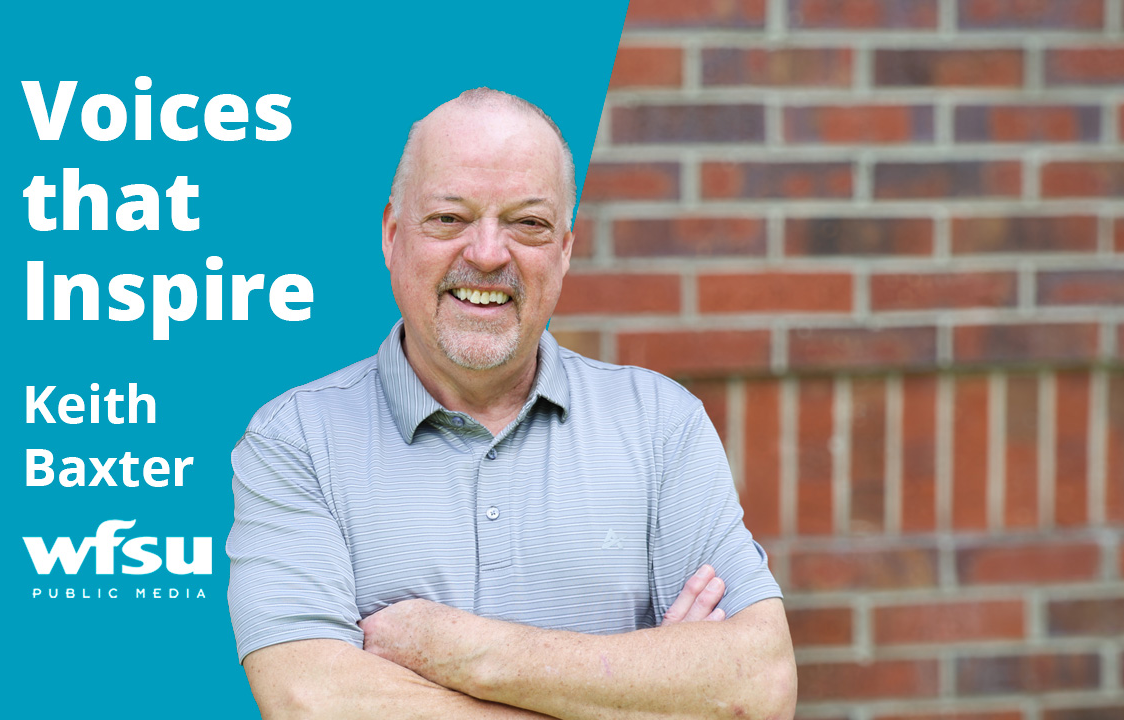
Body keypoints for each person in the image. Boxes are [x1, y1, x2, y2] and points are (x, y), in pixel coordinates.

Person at [227, 88, 797, 720]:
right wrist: (647, 697)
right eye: (449, 219)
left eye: (528, 224)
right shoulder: (295, 440)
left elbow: (761, 686)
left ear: (565, 249)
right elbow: (309, 702)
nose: (487, 253)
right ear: (391, 236)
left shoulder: (662, 424)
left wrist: (457, 649)